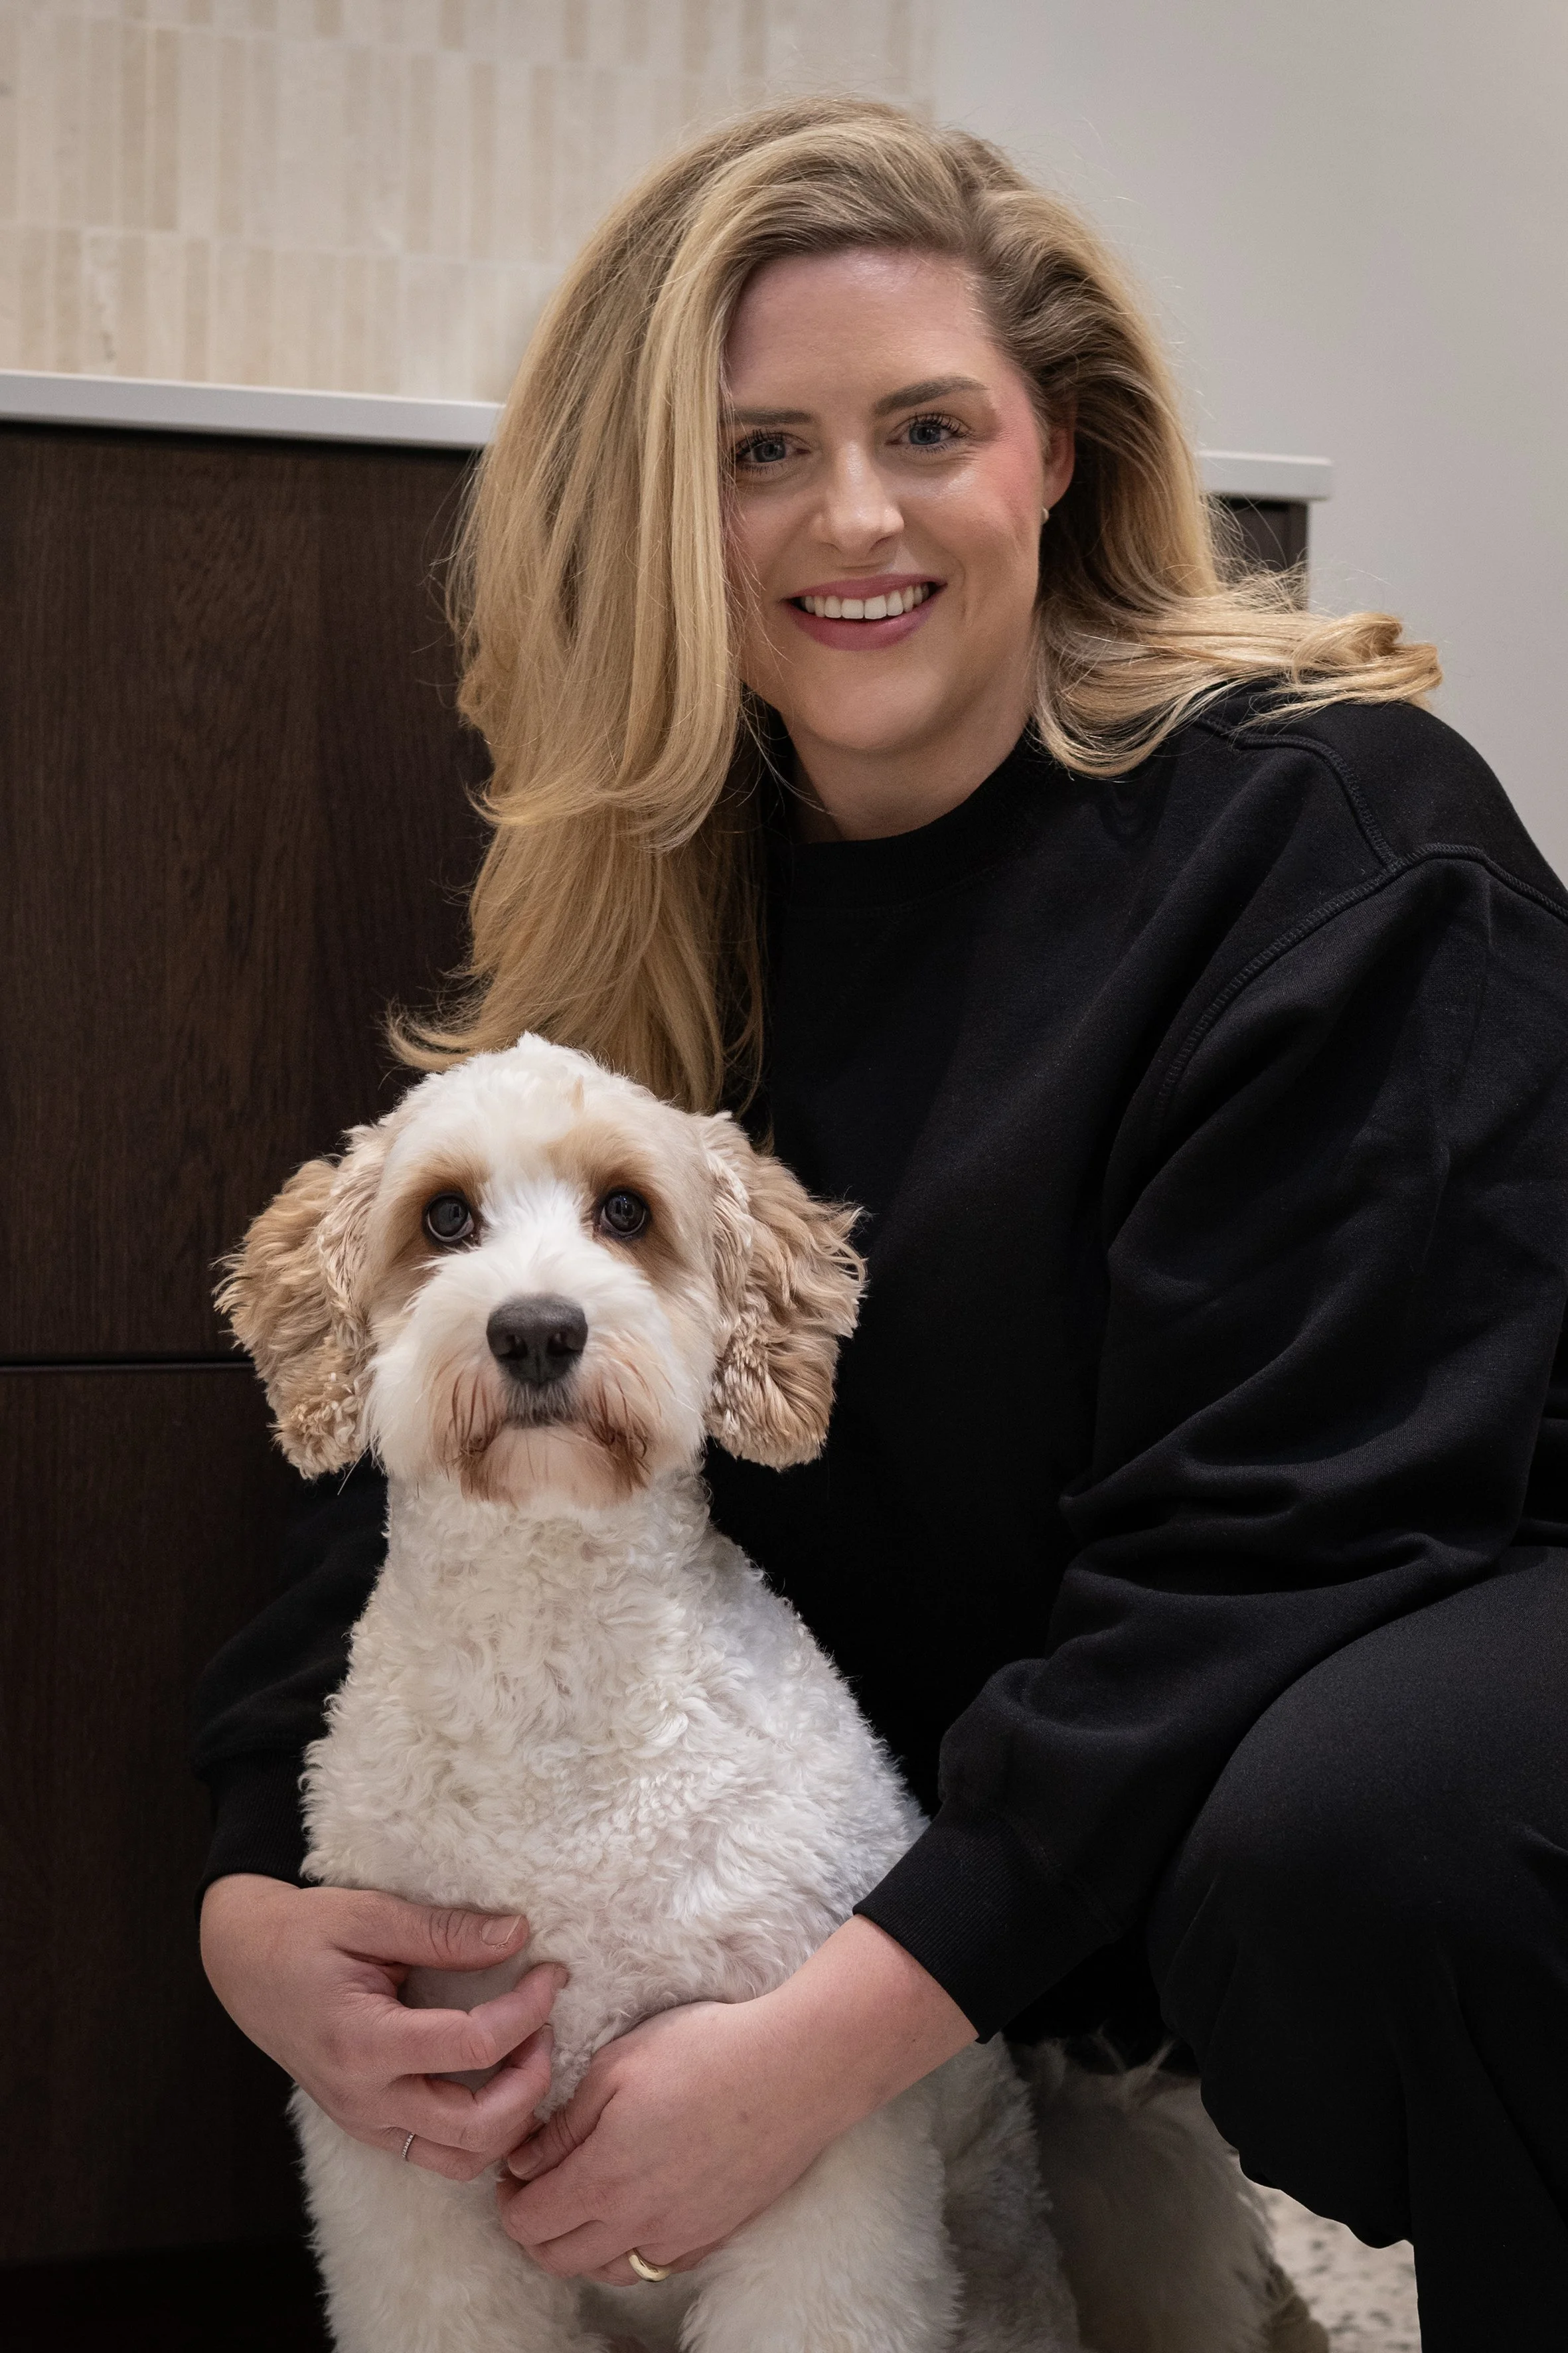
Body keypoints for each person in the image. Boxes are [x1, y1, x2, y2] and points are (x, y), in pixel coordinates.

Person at [195, 98, 1568, 2351]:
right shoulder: (652, 932)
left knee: (1373, 1847)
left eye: (929, 426)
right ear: (654, 511)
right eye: (758, 453)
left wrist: (823, 2051)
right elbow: (424, 1446)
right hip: (1036, 1837)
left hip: (1425, 1661)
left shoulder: (1329, 844)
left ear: (1056, 455)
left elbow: (1280, 1555)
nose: (854, 516)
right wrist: (259, 1899)